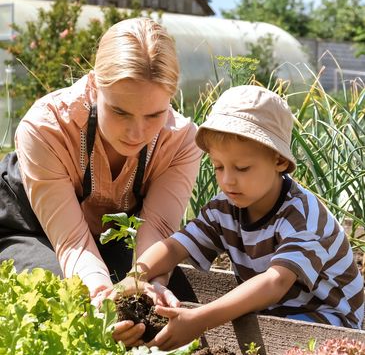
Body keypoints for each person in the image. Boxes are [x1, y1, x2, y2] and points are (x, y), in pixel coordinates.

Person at [116, 85, 365, 350]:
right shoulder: (224, 209)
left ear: (279, 161)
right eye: (218, 167)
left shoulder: (302, 216)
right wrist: (134, 276)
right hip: (272, 314)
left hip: (329, 323)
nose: (227, 180)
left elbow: (275, 281)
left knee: (283, 341)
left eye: (242, 168)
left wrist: (200, 319)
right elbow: (175, 246)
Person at [0, 17, 201, 321]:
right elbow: (71, 243)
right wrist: (103, 300)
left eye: (154, 115)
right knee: (68, 294)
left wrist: (143, 283)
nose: (136, 132)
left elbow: (157, 228)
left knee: (158, 297)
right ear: (94, 86)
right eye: (120, 111)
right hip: (28, 229)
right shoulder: (45, 128)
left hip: (104, 239)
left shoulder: (182, 141)